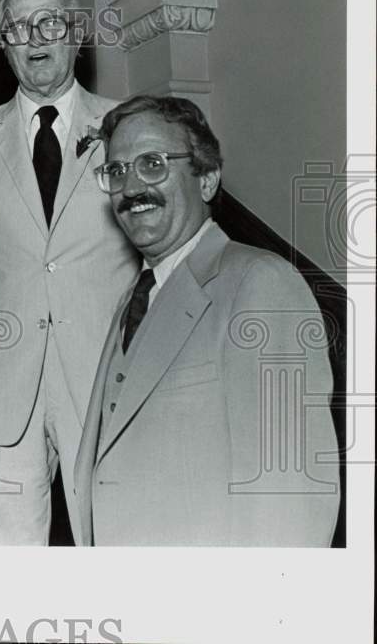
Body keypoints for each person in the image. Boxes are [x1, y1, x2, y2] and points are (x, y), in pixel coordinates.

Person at [74, 95, 340, 545]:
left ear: (207, 180)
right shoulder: (133, 300)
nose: (131, 186)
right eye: (116, 170)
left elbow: (289, 490)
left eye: (153, 163)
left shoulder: (260, 283)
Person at [0, 0, 138, 545]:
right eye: (17, 29)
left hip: (107, 381)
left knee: (114, 549)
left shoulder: (126, 126)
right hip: (3, 387)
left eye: (50, 23)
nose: (35, 40)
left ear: (76, 34)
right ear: (4, 45)